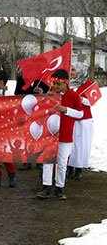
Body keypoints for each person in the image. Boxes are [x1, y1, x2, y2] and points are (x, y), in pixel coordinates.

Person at [38, 70, 84, 200]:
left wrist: (66, 110)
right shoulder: (52, 95)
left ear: (66, 83)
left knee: (62, 162)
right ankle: (46, 186)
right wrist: (45, 97)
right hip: (50, 134)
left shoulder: (73, 96)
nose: (56, 87)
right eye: (54, 83)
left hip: (65, 134)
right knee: (47, 160)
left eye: (58, 84)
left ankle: (59, 187)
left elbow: (81, 114)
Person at [70, 80, 95, 181]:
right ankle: (69, 166)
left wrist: (81, 99)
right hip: (70, 118)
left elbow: (93, 101)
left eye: (74, 70)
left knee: (81, 145)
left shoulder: (88, 84)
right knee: (71, 144)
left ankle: (79, 168)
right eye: (71, 69)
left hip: (84, 120)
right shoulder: (66, 84)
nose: (72, 73)